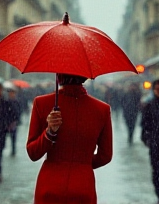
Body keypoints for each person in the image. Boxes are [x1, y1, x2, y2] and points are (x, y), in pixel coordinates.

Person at [26, 73, 112, 204]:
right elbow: (105, 155)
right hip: (83, 187)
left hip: (49, 186)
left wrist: (49, 133)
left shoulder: (42, 103)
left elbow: (33, 153)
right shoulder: (102, 109)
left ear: (58, 77)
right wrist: (83, 164)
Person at [6, 86, 22, 156]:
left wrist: (17, 119)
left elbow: (19, 111)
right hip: (7, 122)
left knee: (13, 136)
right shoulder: (6, 102)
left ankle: (13, 149)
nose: (12, 94)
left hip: (13, 122)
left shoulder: (16, 101)